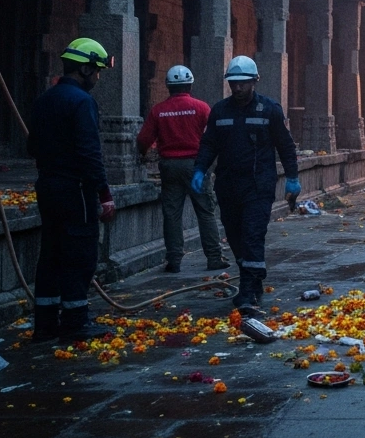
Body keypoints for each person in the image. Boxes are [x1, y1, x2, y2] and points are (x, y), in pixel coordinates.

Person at [192, 56, 300, 316]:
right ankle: (253, 276)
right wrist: (199, 169)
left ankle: (248, 291)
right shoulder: (220, 111)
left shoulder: (269, 110)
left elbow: (285, 146)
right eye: (233, 83)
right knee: (237, 238)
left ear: (254, 81)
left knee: (252, 235)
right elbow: (209, 144)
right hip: (228, 186)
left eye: (243, 83)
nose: (237, 88)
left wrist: (292, 178)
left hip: (258, 186)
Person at [26, 38, 117, 342]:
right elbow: (90, 154)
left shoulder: (43, 100)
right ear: (86, 69)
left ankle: (46, 323)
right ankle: (76, 320)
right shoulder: (81, 102)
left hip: (47, 186)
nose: (98, 77)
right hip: (75, 189)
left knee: (50, 253)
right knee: (79, 254)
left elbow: (31, 146)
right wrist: (104, 194)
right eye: (97, 71)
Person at [136, 65, 228, 273]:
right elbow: (216, 135)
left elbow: (143, 139)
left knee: (172, 214)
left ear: (168, 86)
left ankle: (174, 260)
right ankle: (214, 257)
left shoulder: (158, 110)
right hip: (196, 166)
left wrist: (142, 153)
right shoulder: (201, 107)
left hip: (169, 166)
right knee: (205, 212)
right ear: (190, 84)